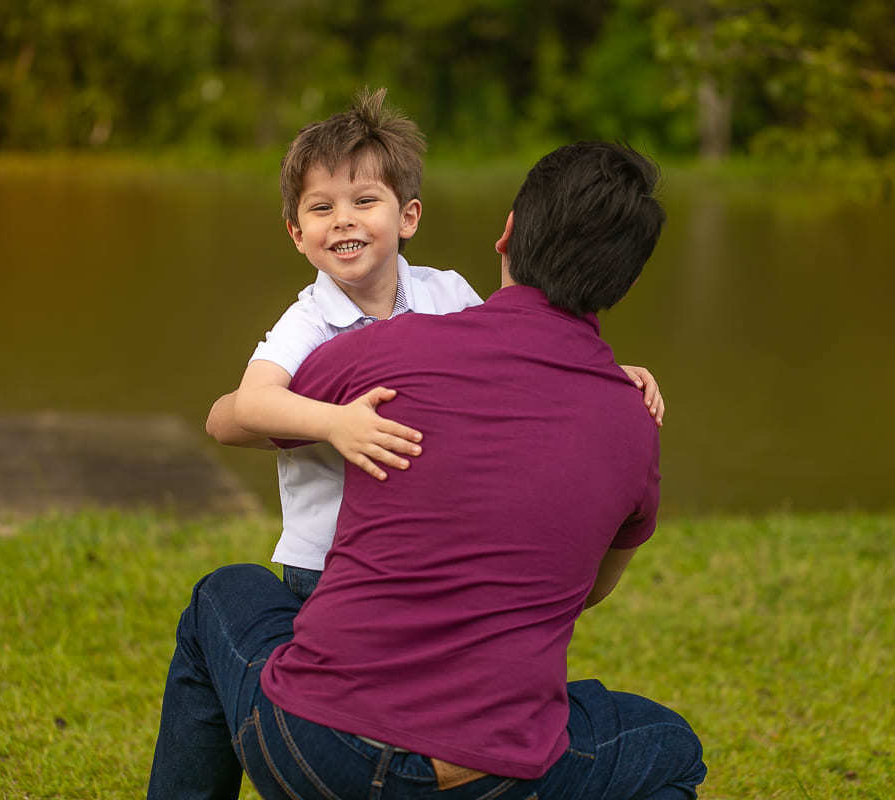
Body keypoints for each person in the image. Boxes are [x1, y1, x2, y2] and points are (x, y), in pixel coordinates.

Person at [148, 142, 705, 800]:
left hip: (317, 750)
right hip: (493, 775)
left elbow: (232, 415)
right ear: (626, 282)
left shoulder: (386, 347)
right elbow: (588, 592)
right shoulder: (635, 420)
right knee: (668, 748)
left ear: (506, 234)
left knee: (223, 594)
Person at [204, 90, 664, 601]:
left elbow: (518, 352)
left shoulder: (444, 291)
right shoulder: (307, 321)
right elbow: (250, 403)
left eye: (364, 200)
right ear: (297, 233)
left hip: (426, 538)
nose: (342, 219)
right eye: (320, 207)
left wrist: (600, 371)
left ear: (408, 218)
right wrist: (335, 423)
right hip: (326, 556)